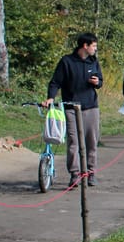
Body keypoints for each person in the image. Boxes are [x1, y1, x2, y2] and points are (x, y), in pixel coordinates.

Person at [44, 32, 103, 186]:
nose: (95, 49)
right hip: (71, 107)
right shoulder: (67, 61)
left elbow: (100, 81)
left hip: (91, 107)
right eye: (94, 46)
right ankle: (75, 174)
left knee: (92, 141)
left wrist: (97, 82)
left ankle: (91, 173)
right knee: (73, 142)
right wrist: (51, 97)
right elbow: (55, 82)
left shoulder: (93, 62)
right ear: (85, 45)